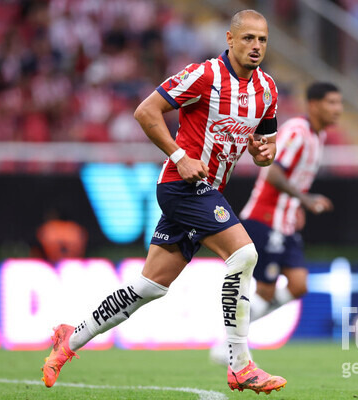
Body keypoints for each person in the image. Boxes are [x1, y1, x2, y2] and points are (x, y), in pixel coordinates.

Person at [41, 9, 287, 395]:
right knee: (243, 255)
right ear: (230, 39)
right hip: (180, 185)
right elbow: (145, 111)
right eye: (248, 38)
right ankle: (240, 365)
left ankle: (69, 338)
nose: (256, 46)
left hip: (210, 190)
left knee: (150, 286)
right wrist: (178, 155)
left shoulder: (267, 89)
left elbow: (267, 148)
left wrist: (262, 154)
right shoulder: (204, 75)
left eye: (262, 40)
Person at [210, 82, 343, 365]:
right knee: (267, 291)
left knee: (298, 285)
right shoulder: (297, 131)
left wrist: (296, 205)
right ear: (314, 104)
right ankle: (229, 343)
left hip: (285, 222)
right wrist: (304, 199)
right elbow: (273, 174)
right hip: (265, 217)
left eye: (339, 103)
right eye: (331, 103)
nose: (337, 109)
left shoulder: (317, 137)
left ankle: (231, 339)